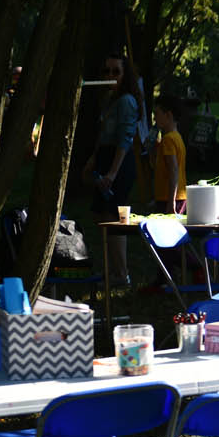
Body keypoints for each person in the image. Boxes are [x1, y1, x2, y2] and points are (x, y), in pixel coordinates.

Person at [87, 53, 140, 285]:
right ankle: (112, 271)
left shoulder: (127, 100)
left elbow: (124, 140)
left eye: (115, 72)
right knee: (101, 215)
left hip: (119, 162)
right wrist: (93, 160)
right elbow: (103, 135)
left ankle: (122, 273)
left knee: (114, 217)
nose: (110, 76)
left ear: (125, 75)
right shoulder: (109, 99)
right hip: (105, 157)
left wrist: (112, 173)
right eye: (106, 71)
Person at [151, 95, 187, 214]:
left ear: (168, 115)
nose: (154, 118)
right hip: (178, 196)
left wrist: (171, 202)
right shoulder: (177, 137)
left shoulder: (168, 140)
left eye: (157, 114)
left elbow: (173, 170)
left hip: (169, 198)